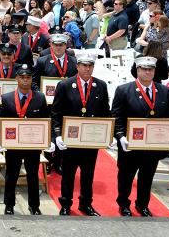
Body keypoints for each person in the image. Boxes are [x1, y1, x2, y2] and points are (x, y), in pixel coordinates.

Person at [112, 56, 169, 217]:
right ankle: (123, 204)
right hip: (130, 145)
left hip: (153, 146)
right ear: (137, 70)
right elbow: (116, 116)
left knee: (147, 177)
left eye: (151, 69)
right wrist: (121, 136)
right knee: (126, 177)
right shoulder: (124, 90)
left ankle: (142, 205)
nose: (148, 72)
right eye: (144, 69)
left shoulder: (164, 91)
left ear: (154, 71)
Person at [51, 52, 110, 216]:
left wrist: (108, 133)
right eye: (84, 65)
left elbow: (105, 112)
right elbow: (56, 112)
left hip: (91, 139)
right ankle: (65, 204)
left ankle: (85, 204)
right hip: (71, 138)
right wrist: (57, 134)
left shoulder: (101, 86)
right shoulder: (65, 85)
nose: (87, 68)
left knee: (88, 174)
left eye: (90, 65)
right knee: (68, 173)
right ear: (77, 66)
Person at [0, 64, 52, 215]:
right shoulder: (6, 98)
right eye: (22, 77)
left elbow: (46, 119)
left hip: (32, 145)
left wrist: (48, 139)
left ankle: (34, 205)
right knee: (11, 175)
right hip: (13, 145)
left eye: (28, 77)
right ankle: (9, 205)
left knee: (33, 176)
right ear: (17, 79)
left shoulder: (40, 97)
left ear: (32, 79)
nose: (25, 80)